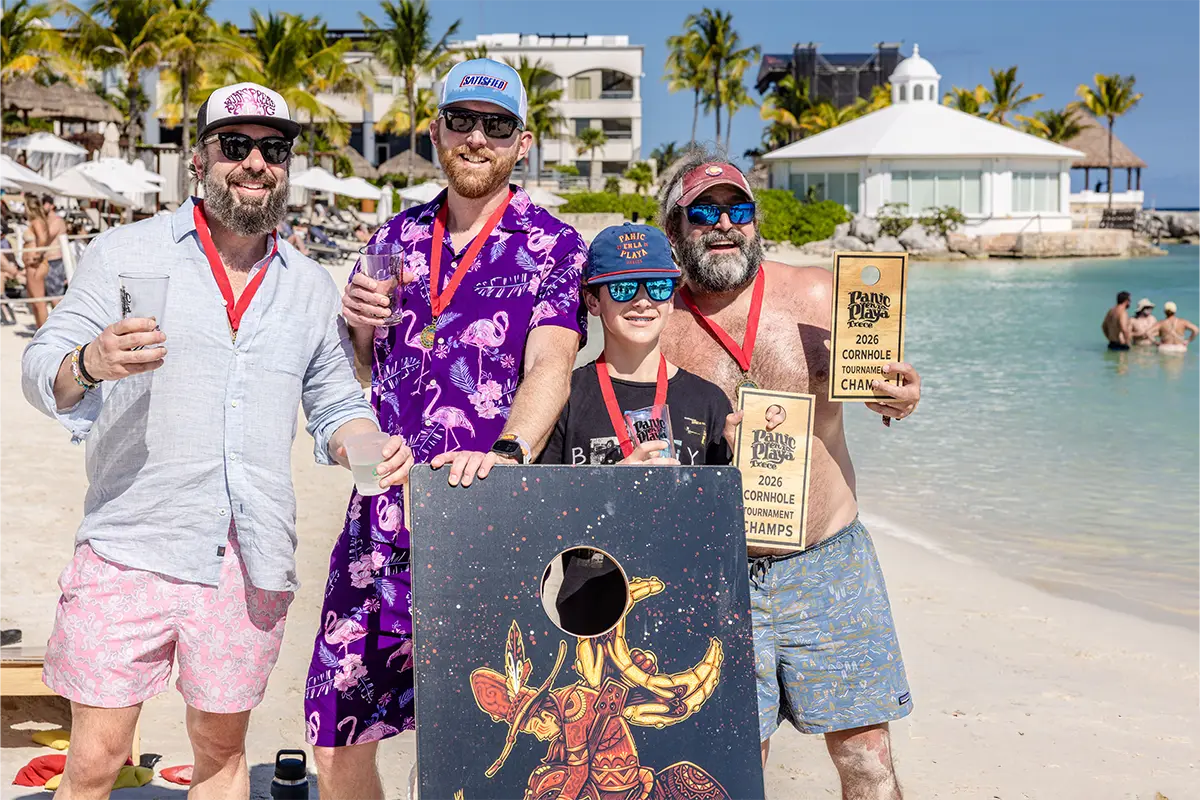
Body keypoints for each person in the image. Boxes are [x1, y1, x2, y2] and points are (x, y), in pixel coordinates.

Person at [22, 81, 409, 800]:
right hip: (130, 545)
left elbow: (332, 407)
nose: (255, 162)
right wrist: (89, 362)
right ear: (200, 159)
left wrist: (370, 454)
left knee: (222, 756)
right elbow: (41, 369)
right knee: (96, 761)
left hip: (248, 560)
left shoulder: (308, 287)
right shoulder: (123, 253)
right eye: (236, 145)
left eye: (273, 148)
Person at [306, 58, 587, 800]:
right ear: (436, 131)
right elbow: (359, 376)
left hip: (487, 519)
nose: (477, 138)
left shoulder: (555, 247)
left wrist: (505, 450)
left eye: (496, 126)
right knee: (336, 736)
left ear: (520, 144)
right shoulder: (394, 235)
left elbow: (551, 367)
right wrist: (357, 328)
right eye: (461, 120)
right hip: (382, 513)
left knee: (492, 748)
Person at [657, 151, 922, 800]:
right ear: (673, 230)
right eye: (705, 213)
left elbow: (882, 380)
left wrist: (900, 395)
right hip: (713, 573)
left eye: (739, 210)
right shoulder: (654, 326)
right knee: (732, 769)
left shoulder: (818, 294)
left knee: (867, 759)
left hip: (826, 562)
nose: (725, 225)